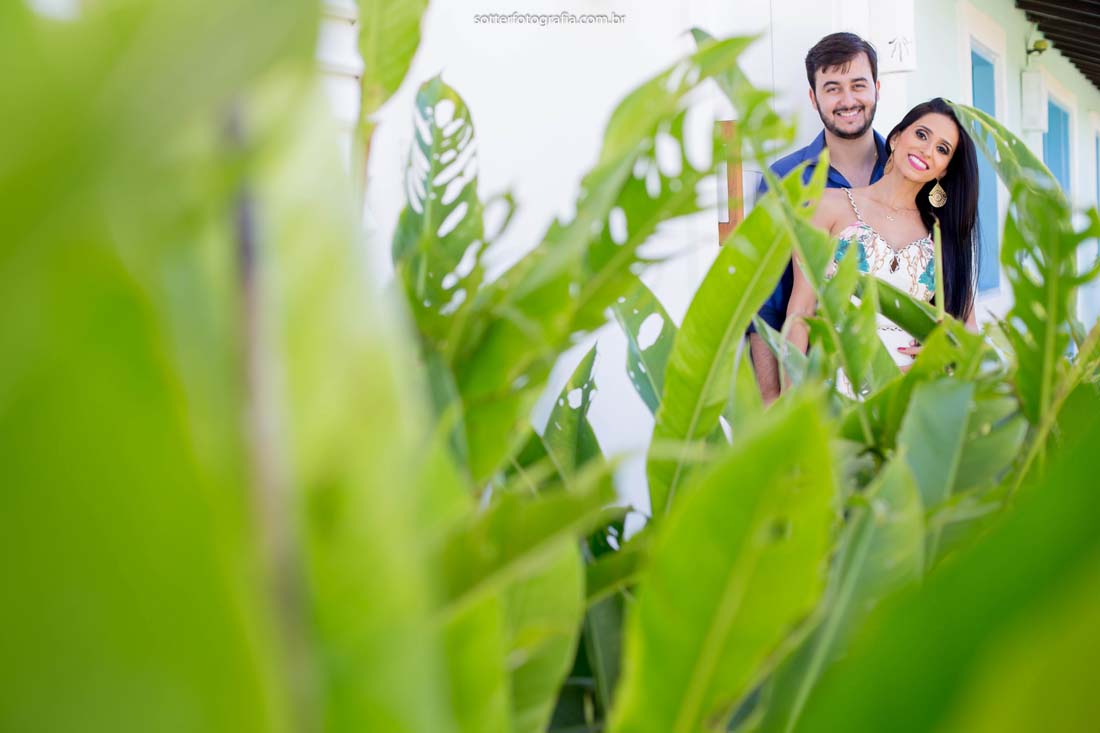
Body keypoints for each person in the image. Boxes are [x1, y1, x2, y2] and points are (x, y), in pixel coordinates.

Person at [784, 97, 980, 392]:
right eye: (922, 134)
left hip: (909, 396)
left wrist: (944, 356)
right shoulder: (826, 205)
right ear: (897, 137)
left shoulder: (942, 234)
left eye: (942, 149)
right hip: (833, 388)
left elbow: (969, 332)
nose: (927, 150)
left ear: (944, 171)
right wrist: (790, 399)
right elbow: (800, 311)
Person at [749, 32, 889, 404]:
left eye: (858, 85)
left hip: (903, 385)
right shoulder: (784, 181)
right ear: (814, 98)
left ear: (876, 87)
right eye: (832, 88)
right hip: (819, 390)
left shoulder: (909, 169)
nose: (848, 101)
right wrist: (769, 398)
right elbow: (765, 300)